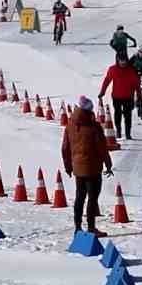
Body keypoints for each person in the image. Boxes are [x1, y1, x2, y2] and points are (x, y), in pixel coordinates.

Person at [61, 96, 114, 234]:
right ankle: (91, 227)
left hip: (78, 169)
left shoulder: (70, 126)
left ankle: (78, 227)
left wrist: (68, 167)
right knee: (92, 198)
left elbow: (65, 148)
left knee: (79, 197)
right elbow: (102, 148)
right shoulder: (94, 127)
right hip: (93, 168)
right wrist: (108, 164)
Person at [99, 52, 142, 140]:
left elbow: (137, 85)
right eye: (121, 61)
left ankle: (128, 133)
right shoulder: (113, 69)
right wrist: (102, 92)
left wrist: (139, 97)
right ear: (117, 60)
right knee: (117, 114)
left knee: (128, 115)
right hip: (116, 97)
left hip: (128, 97)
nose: (123, 63)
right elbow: (107, 81)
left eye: (124, 61)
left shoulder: (131, 70)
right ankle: (118, 131)